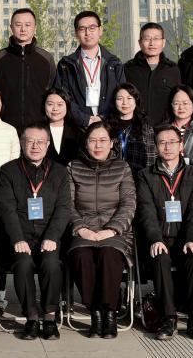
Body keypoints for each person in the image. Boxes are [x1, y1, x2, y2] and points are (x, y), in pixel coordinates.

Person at [0, 123, 71, 340]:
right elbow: (6, 208)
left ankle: (49, 317)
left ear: (48, 145)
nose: (35, 146)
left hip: (49, 237)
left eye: (40, 142)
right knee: (23, 263)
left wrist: (53, 236)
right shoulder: (8, 171)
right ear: (22, 143)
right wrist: (17, 239)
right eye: (30, 141)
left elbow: (64, 208)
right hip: (20, 236)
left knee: (51, 263)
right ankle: (31, 317)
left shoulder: (59, 172)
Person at [135, 125, 193, 340]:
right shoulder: (145, 175)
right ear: (156, 147)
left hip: (185, 239)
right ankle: (168, 318)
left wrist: (192, 239)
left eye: (172, 142)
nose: (167, 147)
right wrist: (155, 239)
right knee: (160, 256)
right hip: (158, 239)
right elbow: (146, 212)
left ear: (181, 145)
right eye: (162, 142)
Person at [66, 121, 136, 339]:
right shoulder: (73, 167)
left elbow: (129, 203)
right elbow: (67, 204)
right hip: (83, 230)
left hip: (115, 231)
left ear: (112, 143)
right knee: (81, 256)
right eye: (93, 140)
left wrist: (112, 230)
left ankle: (110, 312)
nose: (98, 145)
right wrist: (81, 228)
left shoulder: (122, 167)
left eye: (103, 140)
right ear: (85, 143)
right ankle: (95, 311)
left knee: (109, 255)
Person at [0, 8, 56, 131]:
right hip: (5, 128)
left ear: (35, 28)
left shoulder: (46, 58)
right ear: (11, 27)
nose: (23, 29)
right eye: (18, 25)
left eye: (27, 25)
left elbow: (54, 92)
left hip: (39, 127)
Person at [55, 10, 125, 129]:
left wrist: (103, 118)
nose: (87, 33)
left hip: (108, 127)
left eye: (92, 28)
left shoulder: (114, 63)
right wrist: (85, 119)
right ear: (76, 33)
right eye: (82, 29)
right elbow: (63, 97)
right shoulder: (66, 65)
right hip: (77, 128)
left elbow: (121, 95)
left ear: (100, 31)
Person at [124, 22, 181, 126]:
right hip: (135, 128)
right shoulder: (128, 69)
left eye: (156, 39)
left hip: (165, 129)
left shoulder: (173, 70)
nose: (152, 43)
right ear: (140, 42)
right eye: (147, 39)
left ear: (163, 42)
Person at [106, 83, 156, 175]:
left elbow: (151, 158)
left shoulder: (145, 128)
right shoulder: (107, 126)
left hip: (138, 177)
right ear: (114, 101)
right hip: (112, 176)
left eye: (129, 98)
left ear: (136, 100)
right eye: (120, 98)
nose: (125, 103)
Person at [163, 86, 193, 170]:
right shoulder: (162, 130)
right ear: (171, 105)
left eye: (185, 103)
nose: (181, 107)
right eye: (176, 103)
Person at [43, 88, 80, 166]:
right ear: (44, 106)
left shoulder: (77, 131)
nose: (55, 109)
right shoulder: (37, 130)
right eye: (50, 104)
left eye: (60, 104)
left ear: (67, 106)